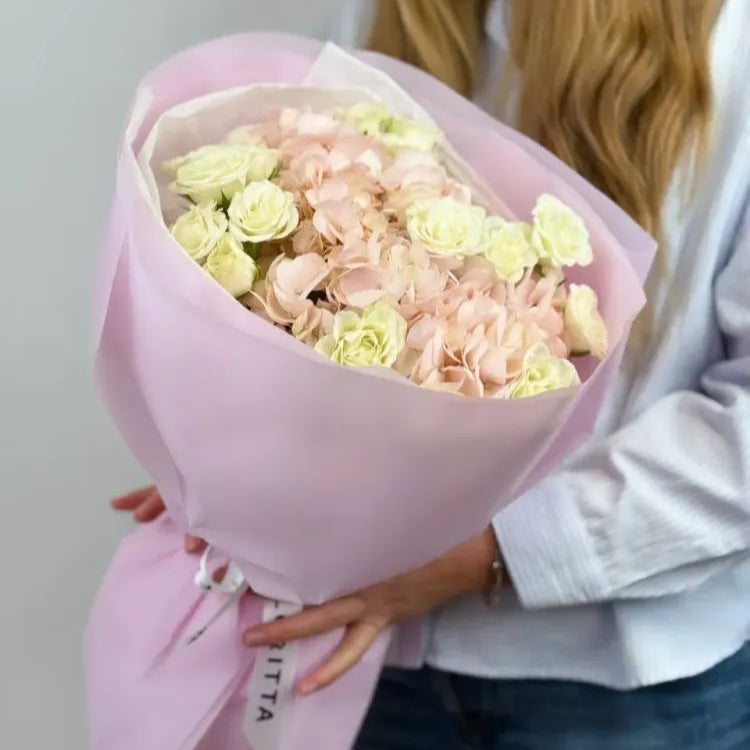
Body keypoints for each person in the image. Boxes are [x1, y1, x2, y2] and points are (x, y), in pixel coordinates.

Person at [112, 0, 750, 747]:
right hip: (372, 659)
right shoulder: (392, 17)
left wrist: (491, 551)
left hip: (624, 689)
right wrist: (245, 471)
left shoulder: (732, 45)